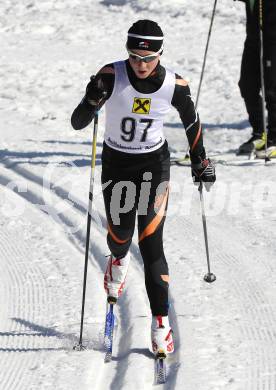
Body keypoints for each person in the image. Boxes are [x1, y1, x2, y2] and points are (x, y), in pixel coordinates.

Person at [71, 20, 216, 357]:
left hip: (154, 167)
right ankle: (117, 260)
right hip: (117, 165)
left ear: (160, 54)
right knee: (120, 235)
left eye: (147, 58)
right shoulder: (110, 75)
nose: (140, 64)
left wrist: (201, 161)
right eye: (134, 56)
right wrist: (92, 101)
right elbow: (78, 122)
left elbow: (192, 122)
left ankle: (160, 324)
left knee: (151, 244)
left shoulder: (174, 85)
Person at [236, 0, 276, 158]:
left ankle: (274, 136)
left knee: (272, 88)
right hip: (253, 38)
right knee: (247, 85)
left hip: (272, 39)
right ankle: (260, 133)